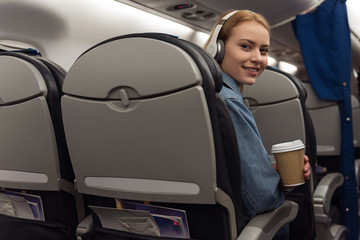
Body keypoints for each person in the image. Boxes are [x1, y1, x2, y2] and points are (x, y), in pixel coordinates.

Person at [204, 9, 311, 239]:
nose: (258, 58)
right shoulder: (229, 101)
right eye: (246, 46)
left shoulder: (201, 94)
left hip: (205, 222)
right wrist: (285, 182)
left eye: (263, 50)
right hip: (245, 226)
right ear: (218, 48)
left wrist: (270, 172)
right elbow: (263, 198)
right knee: (300, 202)